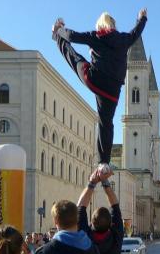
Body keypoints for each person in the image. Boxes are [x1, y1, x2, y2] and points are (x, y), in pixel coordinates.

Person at [52, 9, 147, 173]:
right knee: (106, 123)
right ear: (113, 25)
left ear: (101, 25)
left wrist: (59, 30)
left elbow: (72, 36)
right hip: (112, 91)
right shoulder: (124, 39)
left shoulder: (96, 36)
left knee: (75, 59)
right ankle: (104, 162)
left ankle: (55, 37)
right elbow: (136, 33)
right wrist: (142, 18)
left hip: (95, 80)